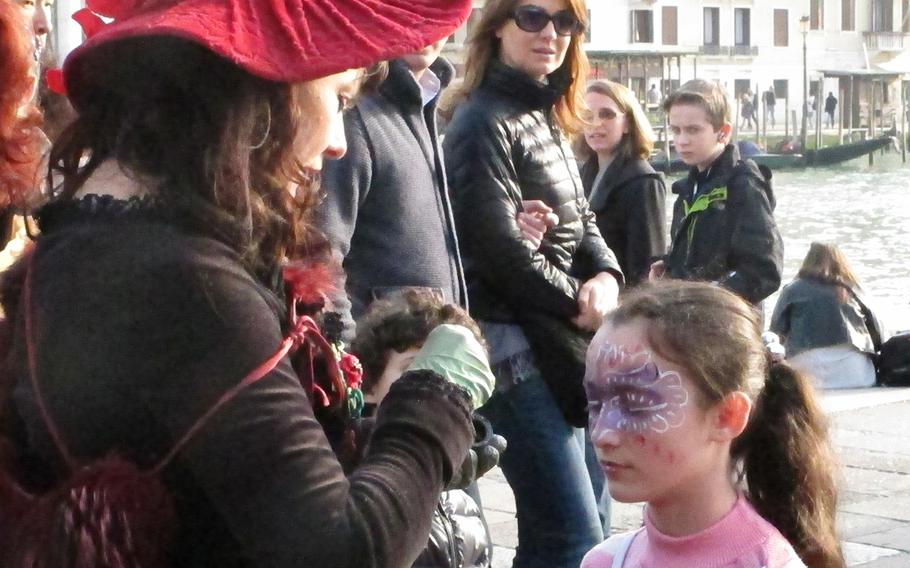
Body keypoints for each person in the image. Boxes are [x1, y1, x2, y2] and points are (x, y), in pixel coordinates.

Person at [0, 1, 497, 566]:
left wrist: (386, 455)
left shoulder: (92, 241)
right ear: (256, 94)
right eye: (336, 100)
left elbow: (230, 477)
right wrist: (436, 399)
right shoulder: (187, 284)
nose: (338, 141)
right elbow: (343, 552)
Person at [443, 1, 623, 566]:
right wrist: (580, 301)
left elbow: (582, 219)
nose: (551, 33)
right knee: (575, 536)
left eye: (565, 23)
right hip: (515, 353)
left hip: (558, 347)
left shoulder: (544, 114)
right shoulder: (480, 123)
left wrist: (606, 275)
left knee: (580, 524)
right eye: (532, 17)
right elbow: (496, 254)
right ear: (496, 25)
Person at [581, 281, 844, 568]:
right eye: (595, 402)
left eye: (635, 403)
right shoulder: (605, 561)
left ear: (727, 416)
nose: (601, 433)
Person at [319, 37, 466, 339]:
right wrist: (345, 366)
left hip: (422, 366)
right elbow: (319, 256)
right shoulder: (354, 112)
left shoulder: (423, 105)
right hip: (381, 370)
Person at [352, 291, 499, 568]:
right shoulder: (361, 490)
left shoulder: (463, 506)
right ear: (369, 385)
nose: (436, 386)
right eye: (414, 368)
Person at [652, 79, 783, 306]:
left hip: (725, 328)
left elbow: (764, 270)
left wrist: (702, 299)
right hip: (687, 321)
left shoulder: (744, 185)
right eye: (676, 130)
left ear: (723, 132)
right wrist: (669, 270)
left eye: (693, 130)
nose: (681, 140)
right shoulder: (686, 189)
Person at [576, 80, 667, 288]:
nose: (596, 123)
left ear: (627, 123)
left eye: (607, 115)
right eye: (587, 115)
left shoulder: (643, 182)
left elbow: (647, 266)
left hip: (619, 305)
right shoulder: (581, 175)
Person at [771, 242, 883, 389]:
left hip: (806, 376)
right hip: (855, 374)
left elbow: (775, 334)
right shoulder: (852, 288)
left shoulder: (792, 289)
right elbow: (878, 333)